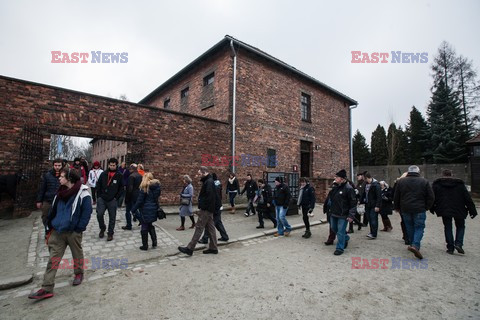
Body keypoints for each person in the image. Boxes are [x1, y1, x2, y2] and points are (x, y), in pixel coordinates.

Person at [28, 168, 92, 300]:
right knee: (53, 259)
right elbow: (53, 210)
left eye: (62, 177)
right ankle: (47, 287)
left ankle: (79, 273)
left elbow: (86, 213)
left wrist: (78, 228)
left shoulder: (83, 193)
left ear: (69, 179)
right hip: (58, 231)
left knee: (77, 253)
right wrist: (49, 225)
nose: (59, 179)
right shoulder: (59, 193)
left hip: (73, 231)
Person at [431, 169, 477, 254]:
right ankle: (458, 243)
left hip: (444, 208)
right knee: (460, 226)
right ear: (451, 175)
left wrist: (432, 208)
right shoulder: (459, 184)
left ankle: (450, 247)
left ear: (442, 175)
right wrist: (472, 211)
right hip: (459, 208)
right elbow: (467, 198)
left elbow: (432, 198)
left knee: (448, 227)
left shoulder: (437, 184)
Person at [394, 165, 435, 260]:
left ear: (408, 172)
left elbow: (397, 196)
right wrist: (427, 207)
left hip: (405, 208)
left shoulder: (401, 181)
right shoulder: (424, 181)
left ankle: (413, 244)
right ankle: (415, 245)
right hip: (419, 208)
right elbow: (431, 196)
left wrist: (397, 207)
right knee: (419, 227)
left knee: (409, 227)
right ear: (418, 172)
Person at [178, 166, 218, 256]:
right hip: (208, 209)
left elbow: (210, 198)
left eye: (199, 173)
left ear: (204, 172)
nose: (198, 175)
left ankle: (190, 248)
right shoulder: (208, 181)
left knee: (199, 227)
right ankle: (213, 247)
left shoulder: (209, 182)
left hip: (206, 210)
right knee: (211, 228)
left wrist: (203, 209)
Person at [328, 169, 357, 256]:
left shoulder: (349, 189)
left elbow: (353, 203)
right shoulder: (335, 187)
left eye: (337, 177)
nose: (335, 178)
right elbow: (331, 197)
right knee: (334, 228)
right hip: (334, 212)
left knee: (340, 231)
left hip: (343, 214)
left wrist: (351, 215)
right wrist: (334, 186)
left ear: (343, 179)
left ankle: (340, 248)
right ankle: (346, 237)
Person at [130, 172, 161, 250]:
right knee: (150, 224)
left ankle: (145, 245)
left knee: (144, 226)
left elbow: (139, 201)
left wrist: (133, 209)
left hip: (145, 209)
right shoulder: (157, 187)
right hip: (153, 208)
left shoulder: (144, 187)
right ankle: (154, 242)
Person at [96, 158, 124, 241]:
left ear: (116, 165)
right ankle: (102, 228)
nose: (112, 167)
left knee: (112, 217)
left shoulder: (119, 175)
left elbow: (121, 188)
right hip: (102, 198)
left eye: (114, 165)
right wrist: (99, 196)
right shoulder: (103, 174)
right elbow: (99, 185)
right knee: (99, 214)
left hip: (112, 199)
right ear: (108, 165)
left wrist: (116, 198)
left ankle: (110, 233)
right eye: (111, 165)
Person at [199, 173, 229, 243]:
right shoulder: (217, 185)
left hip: (215, 207)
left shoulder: (214, 186)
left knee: (210, 224)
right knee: (218, 223)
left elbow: (212, 198)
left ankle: (205, 238)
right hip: (218, 207)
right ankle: (225, 236)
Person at [36, 158, 63, 225]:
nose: (57, 167)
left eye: (59, 165)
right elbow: (42, 188)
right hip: (48, 200)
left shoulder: (65, 175)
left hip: (60, 200)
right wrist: (39, 200)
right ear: (53, 165)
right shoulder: (47, 175)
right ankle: (47, 229)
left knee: (58, 217)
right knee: (45, 217)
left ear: (62, 166)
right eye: (55, 165)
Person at [122, 164, 142, 230]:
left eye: (130, 169)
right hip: (137, 194)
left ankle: (129, 225)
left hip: (131, 195)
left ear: (132, 169)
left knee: (128, 211)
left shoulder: (131, 176)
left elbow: (130, 189)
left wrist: (127, 198)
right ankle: (142, 220)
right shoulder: (139, 175)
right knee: (134, 209)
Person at [364, 172, 382, 240]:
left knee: (373, 219)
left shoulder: (376, 185)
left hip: (374, 205)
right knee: (370, 219)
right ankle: (372, 232)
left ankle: (374, 234)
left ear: (369, 178)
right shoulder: (366, 184)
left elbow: (379, 196)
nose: (365, 181)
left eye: (366, 179)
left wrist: (377, 206)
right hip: (368, 204)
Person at [323, 181, 338, 245]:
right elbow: (327, 201)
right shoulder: (330, 193)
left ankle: (344, 238)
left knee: (338, 227)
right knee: (332, 226)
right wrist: (325, 209)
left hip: (336, 212)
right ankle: (331, 239)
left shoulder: (338, 194)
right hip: (330, 211)